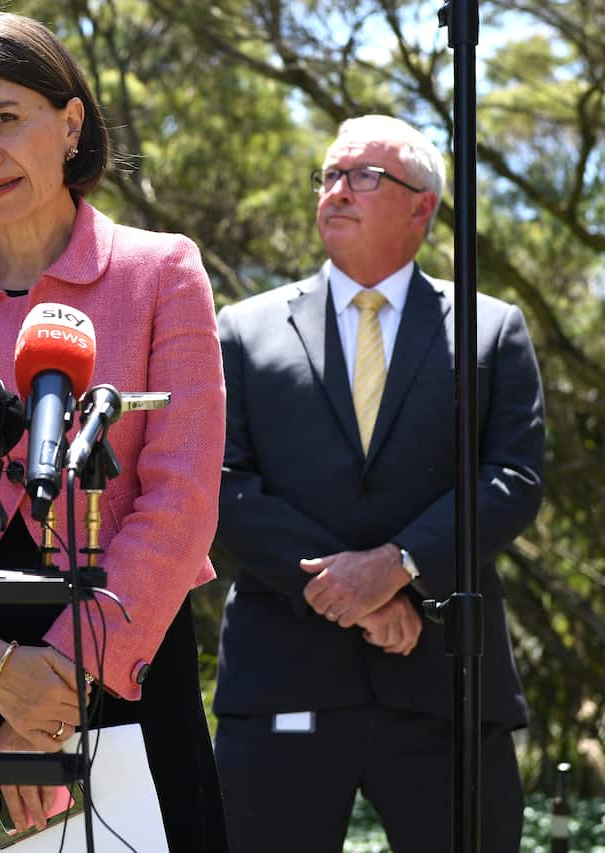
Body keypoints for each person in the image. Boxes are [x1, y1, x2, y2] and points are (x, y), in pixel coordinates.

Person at [0, 11, 228, 851]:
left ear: (70, 123)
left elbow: (182, 500)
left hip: (119, 666)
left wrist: (56, 689)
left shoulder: (163, 274)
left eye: (6, 118)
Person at [211, 114, 544, 852]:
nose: (336, 191)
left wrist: (397, 568)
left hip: (444, 685)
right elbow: (220, 484)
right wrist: (350, 593)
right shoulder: (241, 328)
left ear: (421, 205)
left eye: (362, 175)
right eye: (328, 175)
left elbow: (513, 478)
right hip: (282, 685)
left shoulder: (491, 330)